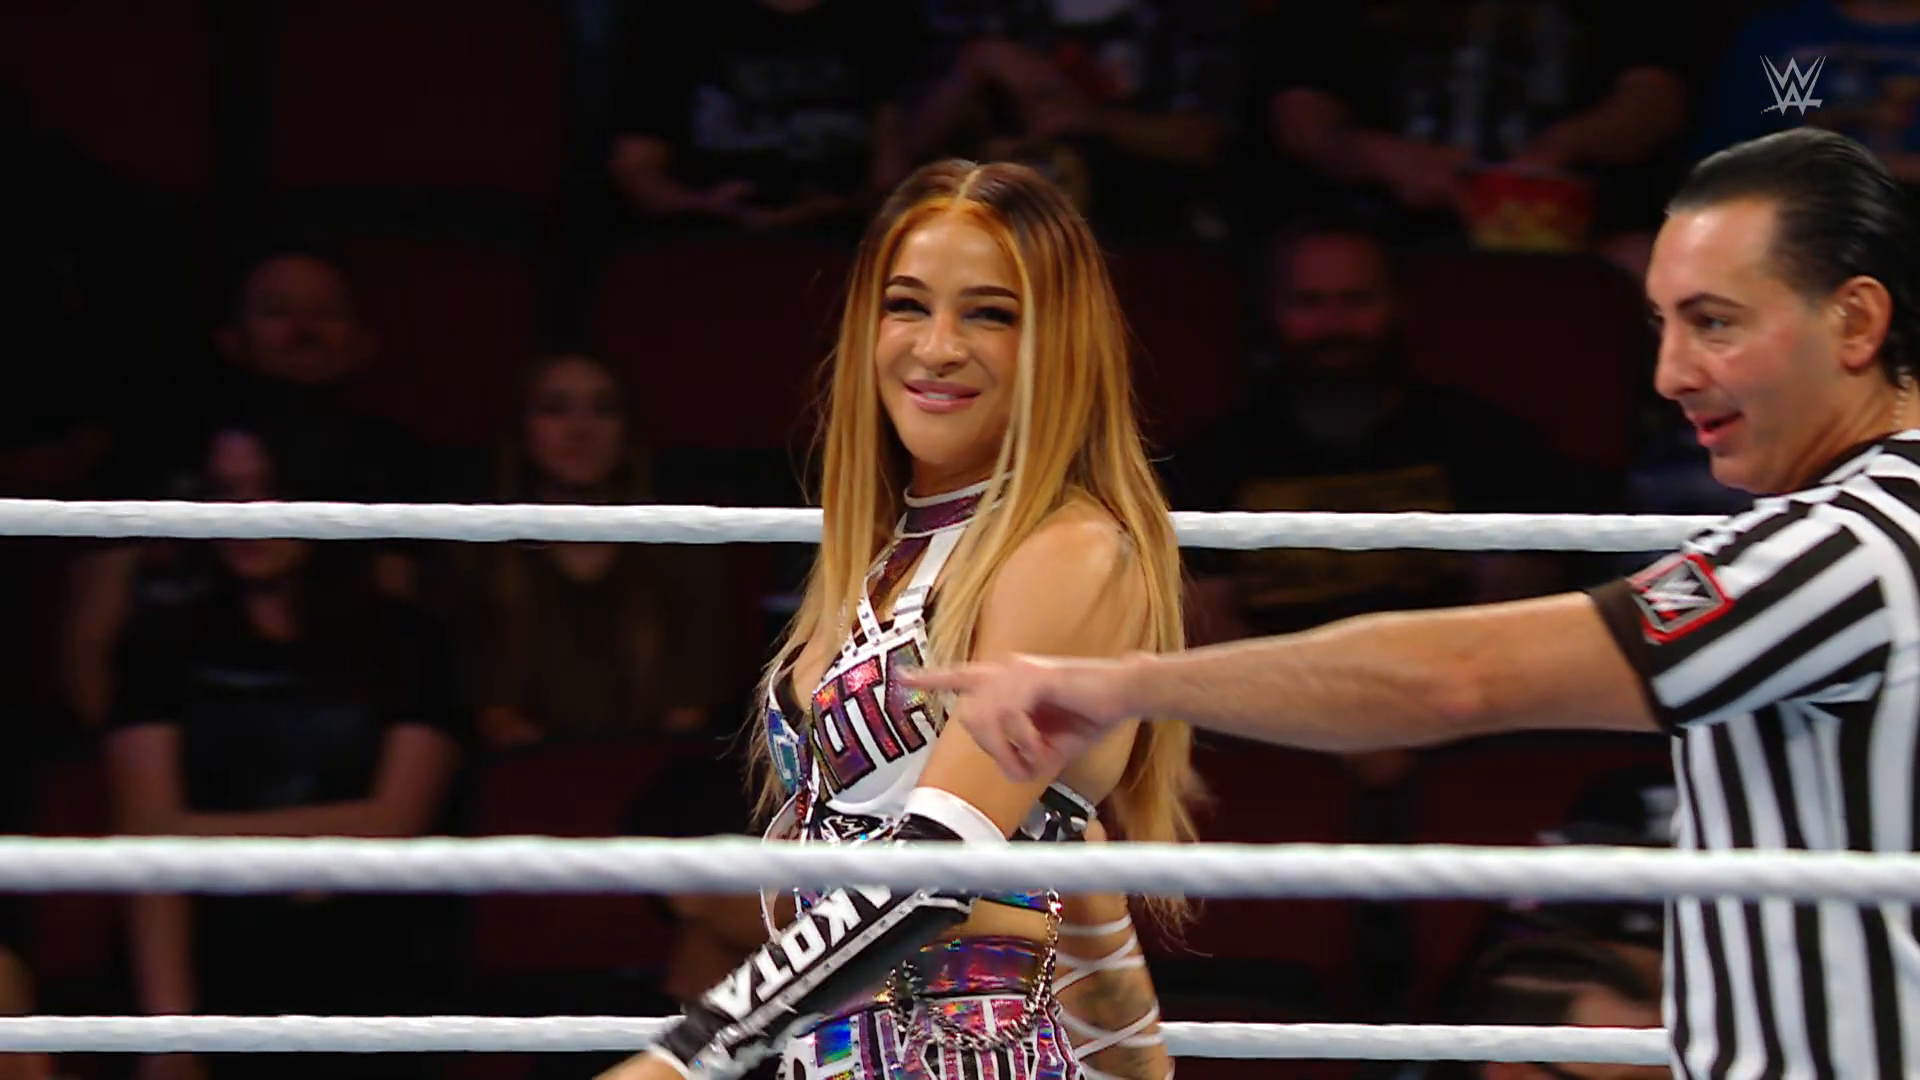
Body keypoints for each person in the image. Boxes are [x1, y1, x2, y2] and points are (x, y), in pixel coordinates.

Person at [909, 126, 1920, 1078]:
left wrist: (1120, 684)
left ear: (1857, 321)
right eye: (1664, 325)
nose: (1672, 374)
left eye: (1716, 324)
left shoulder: (1850, 550)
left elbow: (1459, 679)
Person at [595, 159, 1200, 1080]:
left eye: (990, 314)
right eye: (908, 305)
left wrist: (679, 1063)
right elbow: (1077, 877)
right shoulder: (891, 555)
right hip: (836, 1052)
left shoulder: (1068, 551)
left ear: (1060, 343)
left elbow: (929, 875)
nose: (938, 347)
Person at [104, 416, 465, 1080]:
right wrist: (170, 1038)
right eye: (226, 492)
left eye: (267, 490)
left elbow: (394, 824)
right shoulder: (158, 644)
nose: (244, 516)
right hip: (213, 958)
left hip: (375, 959)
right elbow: (147, 853)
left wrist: (190, 836)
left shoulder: (409, 641)